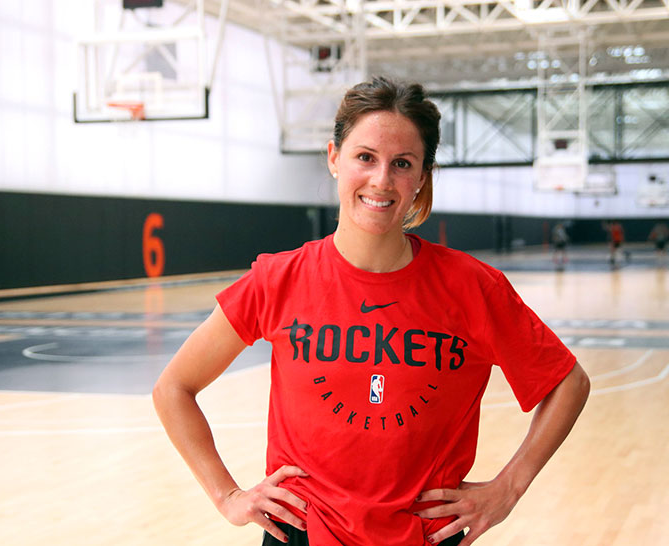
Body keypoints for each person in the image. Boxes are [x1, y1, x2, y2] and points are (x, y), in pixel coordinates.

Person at [153, 77, 590, 546]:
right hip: (302, 533)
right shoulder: (278, 279)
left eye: (402, 164)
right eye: (365, 157)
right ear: (334, 158)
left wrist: (508, 488)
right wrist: (227, 496)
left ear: (422, 176)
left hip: (425, 536)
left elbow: (568, 382)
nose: (381, 180)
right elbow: (174, 387)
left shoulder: (472, 287)